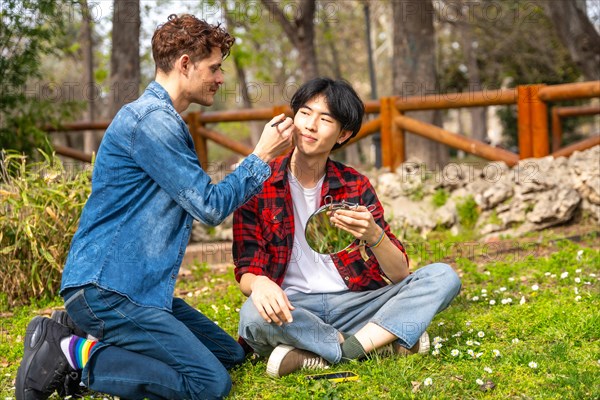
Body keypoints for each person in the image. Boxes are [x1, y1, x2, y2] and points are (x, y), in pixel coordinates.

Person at [16, 14, 295, 400]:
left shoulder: (164, 120)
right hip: (108, 291)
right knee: (210, 385)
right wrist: (261, 156)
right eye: (214, 68)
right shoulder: (152, 122)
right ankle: (75, 356)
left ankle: (82, 332)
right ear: (184, 64)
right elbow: (209, 207)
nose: (220, 78)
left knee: (228, 355)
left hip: (138, 291)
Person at [233, 77, 462, 378]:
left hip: (356, 302)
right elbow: (247, 266)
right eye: (304, 113)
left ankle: (327, 352)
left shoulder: (355, 184)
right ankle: (378, 342)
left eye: (325, 119)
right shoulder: (257, 183)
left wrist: (373, 235)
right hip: (293, 308)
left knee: (442, 277)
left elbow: (399, 274)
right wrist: (260, 284)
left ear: (343, 135)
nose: (310, 125)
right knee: (252, 316)